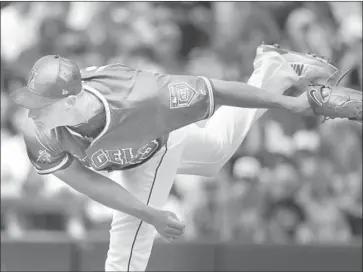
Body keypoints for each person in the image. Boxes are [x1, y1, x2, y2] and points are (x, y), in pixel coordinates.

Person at [9, 43, 338, 271]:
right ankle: (274, 69)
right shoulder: (37, 130)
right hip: (128, 153)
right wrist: (150, 212)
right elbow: (85, 180)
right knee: (215, 154)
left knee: (127, 242)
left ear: (69, 103)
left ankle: (275, 76)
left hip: (157, 139)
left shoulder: (146, 96)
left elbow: (216, 90)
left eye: (40, 105)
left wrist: (290, 105)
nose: (31, 111)